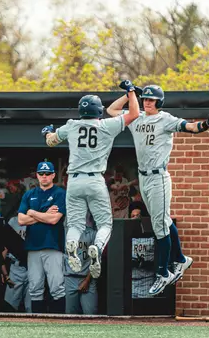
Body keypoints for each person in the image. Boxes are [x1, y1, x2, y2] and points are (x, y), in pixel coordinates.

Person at [106, 84, 209, 295]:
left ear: (160, 102)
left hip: (158, 176)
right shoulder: (136, 116)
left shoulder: (165, 118)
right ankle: (180, 259)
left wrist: (207, 124)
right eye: (145, 99)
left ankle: (163, 273)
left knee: (159, 226)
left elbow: (191, 127)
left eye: (152, 100)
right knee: (164, 221)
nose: (147, 102)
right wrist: (129, 94)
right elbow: (111, 111)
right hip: (143, 177)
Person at [42, 80, 140, 280]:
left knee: (75, 225)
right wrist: (130, 93)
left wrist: (47, 132)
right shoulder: (106, 125)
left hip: (75, 180)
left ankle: (72, 246)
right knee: (105, 224)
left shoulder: (72, 125)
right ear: (98, 111)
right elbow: (134, 114)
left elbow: (51, 141)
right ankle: (97, 247)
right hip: (95, 180)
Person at [17, 161, 66, 313]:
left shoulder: (60, 193)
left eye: (47, 174)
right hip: (33, 245)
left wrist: (32, 213)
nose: (44, 177)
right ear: (37, 175)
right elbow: (20, 220)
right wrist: (44, 214)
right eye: (41, 174)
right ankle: (36, 322)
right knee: (35, 287)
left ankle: (60, 323)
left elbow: (54, 219)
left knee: (57, 286)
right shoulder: (29, 194)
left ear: (53, 175)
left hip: (53, 245)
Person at [64, 212, 98, 314]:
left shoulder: (92, 233)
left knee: (91, 314)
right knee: (69, 316)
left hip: (87, 278)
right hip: (69, 278)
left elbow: (96, 260)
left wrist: (87, 281)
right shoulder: (65, 232)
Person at [1, 217, 31, 312]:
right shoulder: (13, 221)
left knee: (31, 306)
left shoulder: (37, 221)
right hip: (16, 267)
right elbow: (4, 248)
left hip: (32, 267)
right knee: (10, 305)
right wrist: (4, 273)